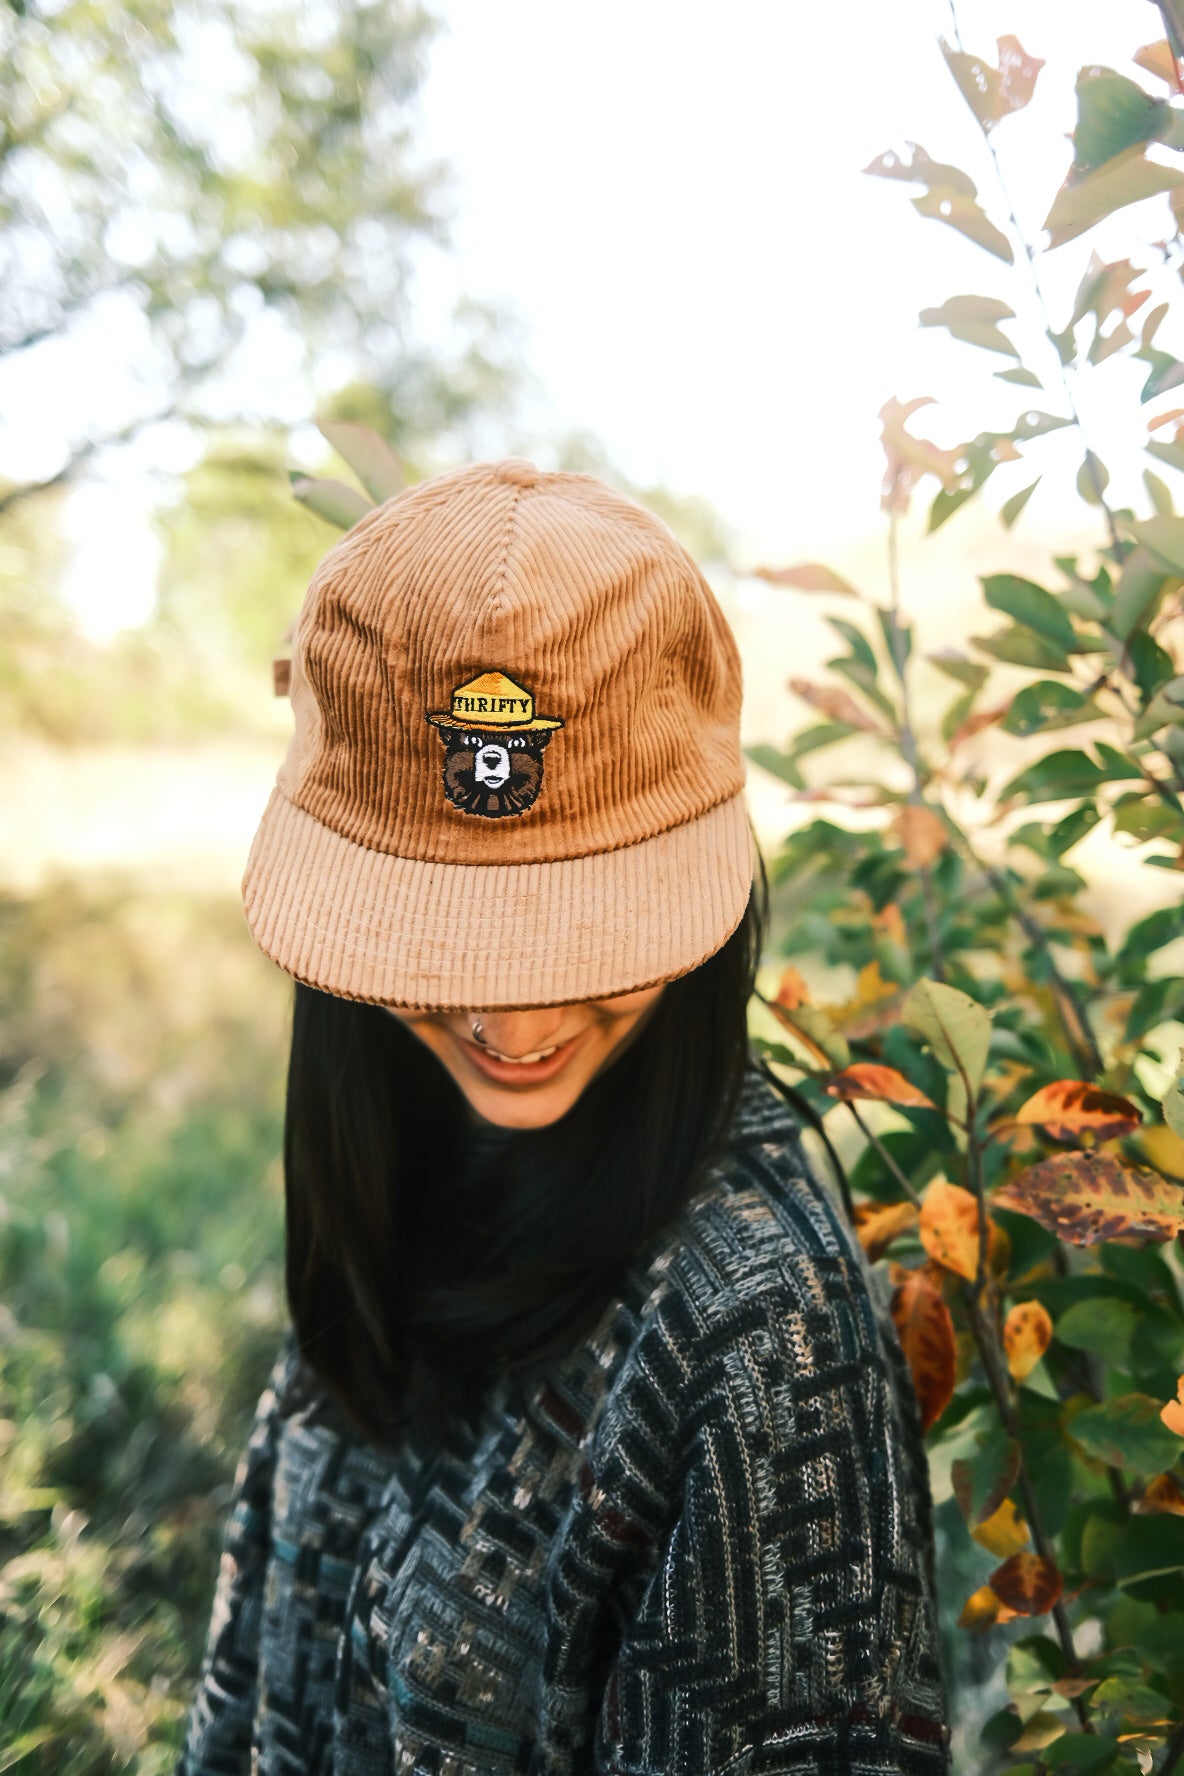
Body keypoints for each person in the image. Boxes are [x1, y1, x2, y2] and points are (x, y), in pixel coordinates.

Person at [176, 458, 949, 1775]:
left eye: (590, 932)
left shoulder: (759, 1337)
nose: (517, 1025)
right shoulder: (415, 1134)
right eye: (441, 939)